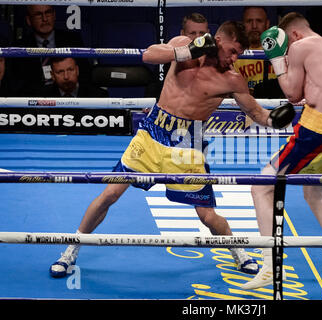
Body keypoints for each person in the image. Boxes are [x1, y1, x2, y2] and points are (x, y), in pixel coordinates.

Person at [49, 20, 295, 278]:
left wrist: (272, 120)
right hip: (152, 133)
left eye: (239, 54)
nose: (235, 59)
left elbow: (254, 110)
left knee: (208, 216)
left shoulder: (232, 80)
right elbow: (149, 55)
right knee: (110, 193)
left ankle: (238, 252)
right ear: (218, 40)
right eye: (232, 51)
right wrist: (188, 52)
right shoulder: (183, 47)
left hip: (187, 145)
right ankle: (70, 251)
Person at [242, 12, 322, 290]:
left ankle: (269, 266)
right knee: (314, 194)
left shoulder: (299, 46)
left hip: (316, 132)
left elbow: (292, 94)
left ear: (292, 34)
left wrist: (277, 58)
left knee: (261, 187)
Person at [12, 5, 91, 96]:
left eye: (48, 13)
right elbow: (17, 85)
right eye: (38, 14)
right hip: (36, 102)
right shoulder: (19, 47)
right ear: (29, 20)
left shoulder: (73, 40)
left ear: (54, 15)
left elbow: (85, 75)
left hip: (67, 96)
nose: (45, 19)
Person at [147, 13, 210, 99]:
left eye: (202, 33)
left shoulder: (216, 59)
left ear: (208, 34)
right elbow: (154, 91)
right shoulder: (170, 59)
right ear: (182, 34)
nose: (197, 38)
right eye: (192, 33)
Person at [233, 7, 277, 96]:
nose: (254, 26)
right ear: (242, 24)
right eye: (249, 21)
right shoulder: (233, 53)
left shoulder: (279, 50)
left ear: (267, 24)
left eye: (259, 21)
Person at [40, 57, 108, 98]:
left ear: (77, 70)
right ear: (52, 75)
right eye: (60, 72)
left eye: (70, 70)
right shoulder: (42, 97)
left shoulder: (98, 95)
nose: (66, 77)